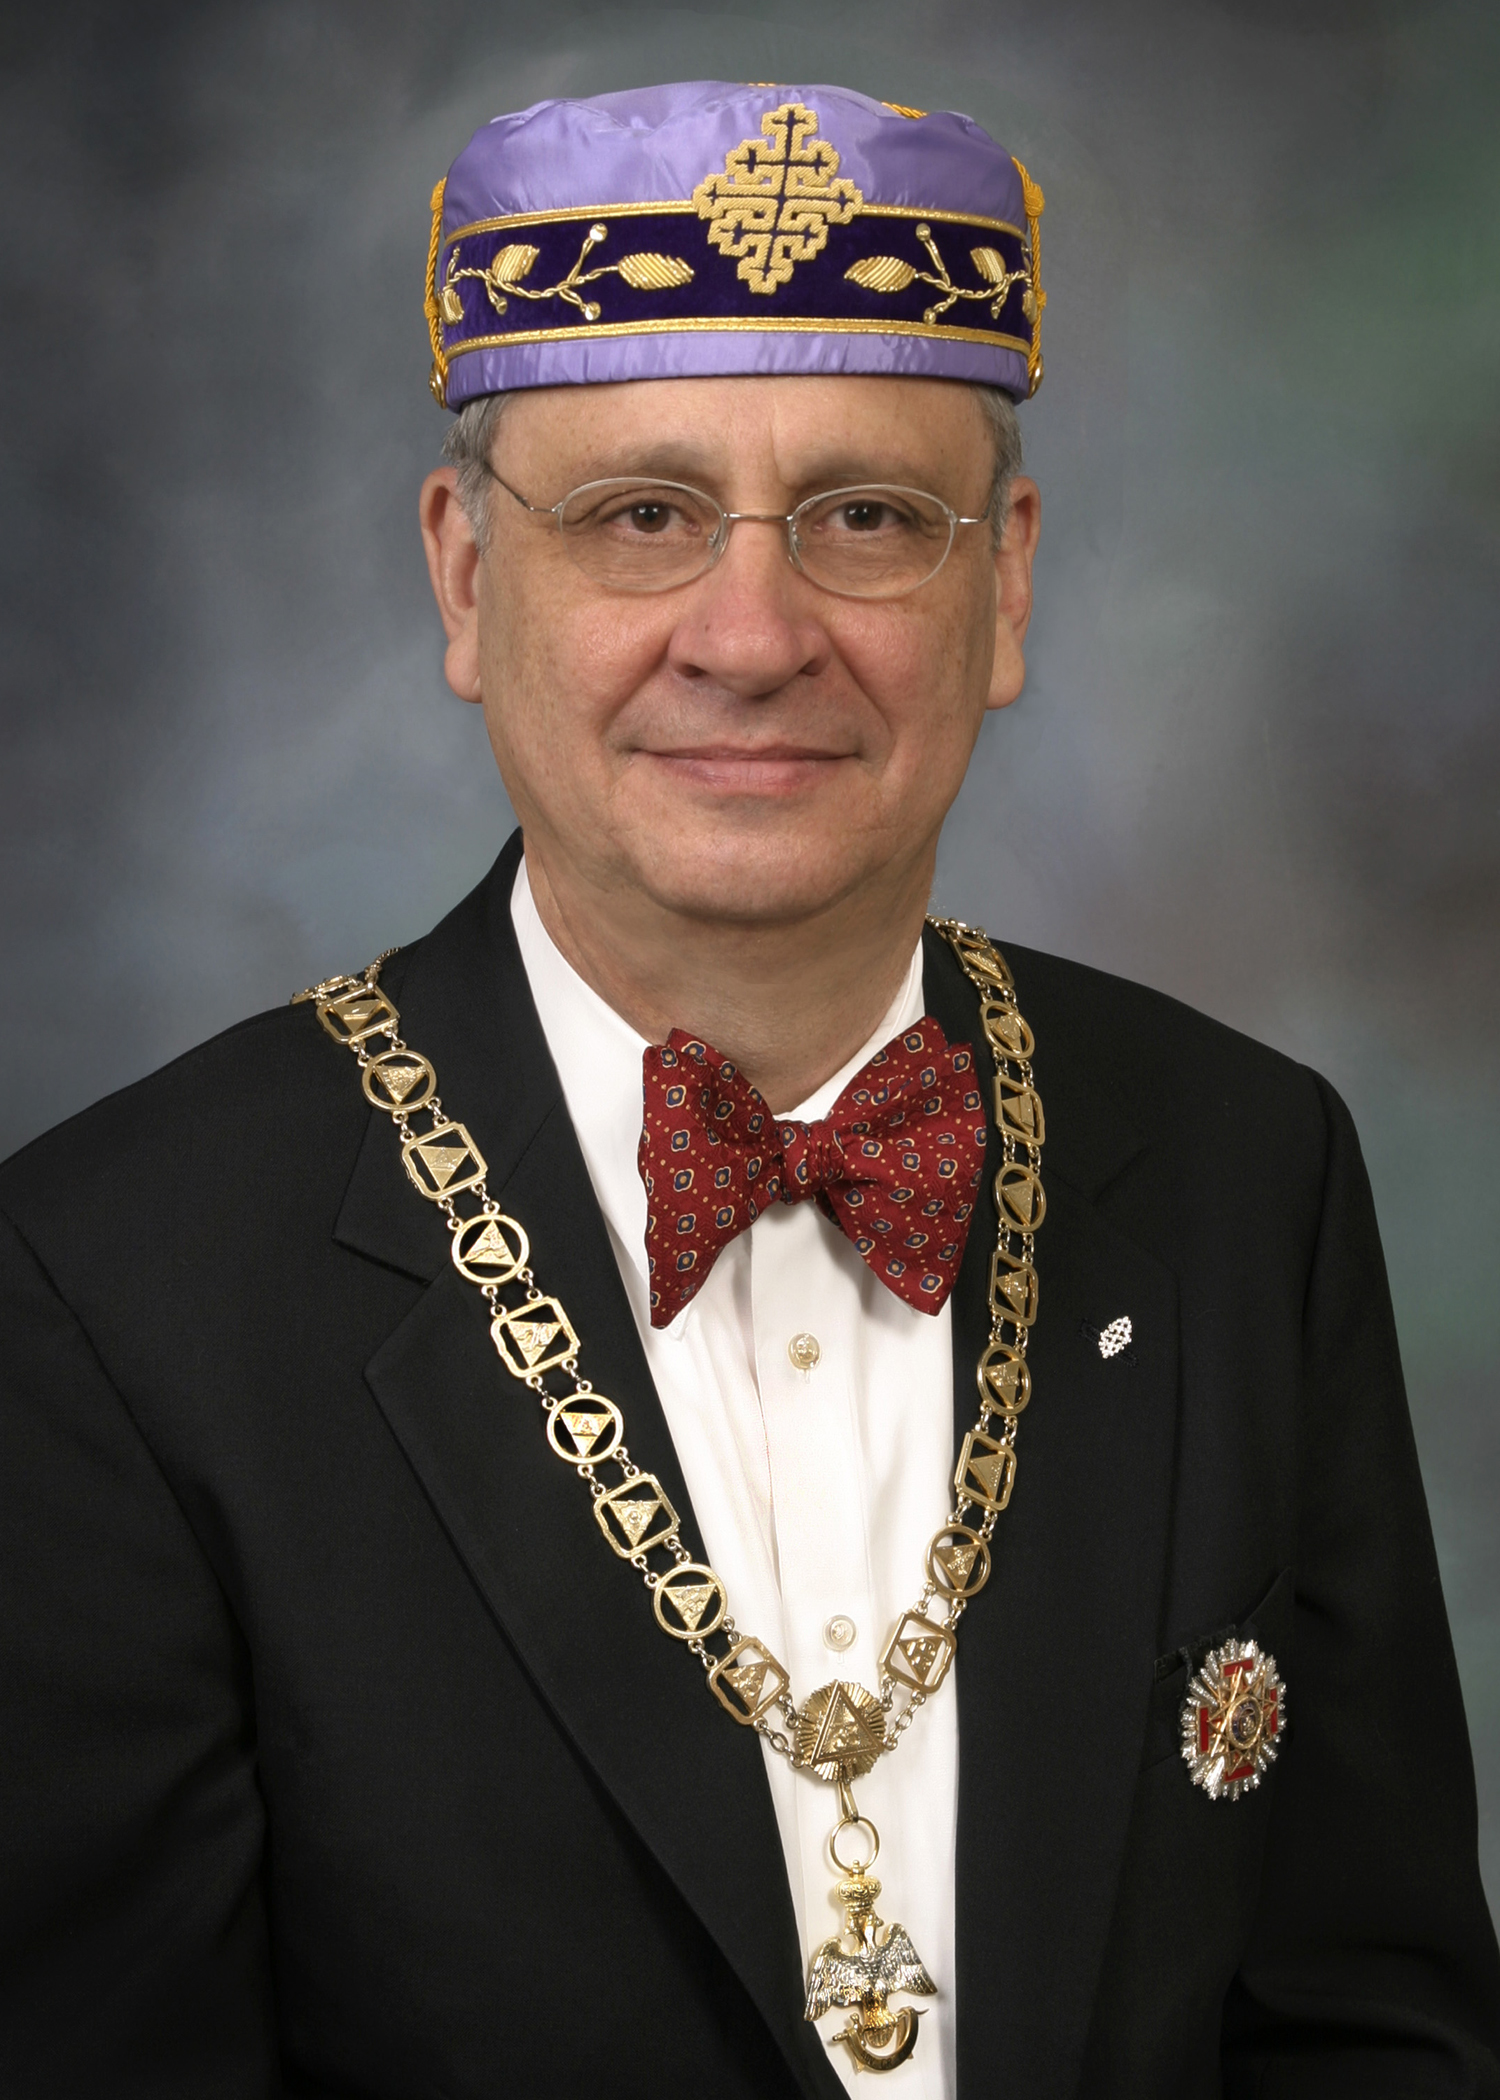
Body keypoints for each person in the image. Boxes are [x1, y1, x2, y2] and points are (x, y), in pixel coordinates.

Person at [0, 79, 1495, 2100]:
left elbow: (1373, 2030)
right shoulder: (113, 1291)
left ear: (1007, 584)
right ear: (466, 579)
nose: (754, 633)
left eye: (868, 516)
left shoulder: (1247, 1169)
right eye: (643, 514)